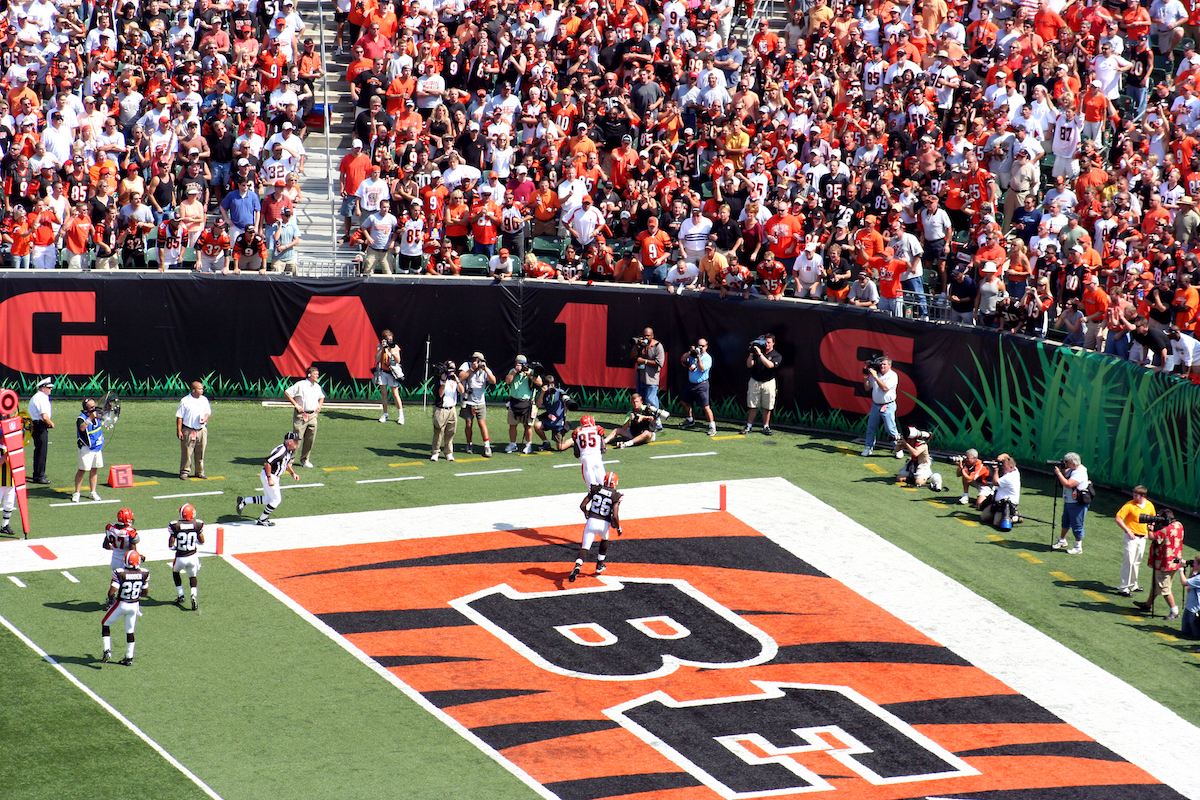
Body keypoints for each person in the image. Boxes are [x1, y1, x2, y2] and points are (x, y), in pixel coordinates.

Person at [236, 431, 301, 526]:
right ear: (289, 442)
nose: (297, 443)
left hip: (274, 476)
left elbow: (286, 463)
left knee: (267, 499)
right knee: (276, 500)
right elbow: (267, 463)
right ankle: (262, 519)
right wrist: (270, 478)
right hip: (270, 475)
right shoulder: (281, 451)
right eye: (295, 441)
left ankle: (244, 501)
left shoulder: (289, 450)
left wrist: (293, 473)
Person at [569, 471, 623, 582]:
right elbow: (615, 515)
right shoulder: (615, 495)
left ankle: (578, 565)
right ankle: (599, 564)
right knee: (604, 539)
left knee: (585, 547)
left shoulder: (596, 489)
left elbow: (582, 505)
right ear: (615, 483)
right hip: (603, 524)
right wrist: (617, 527)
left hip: (591, 521)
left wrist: (586, 512)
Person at [101, 550, 149, 667]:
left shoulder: (120, 572)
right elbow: (145, 592)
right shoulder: (144, 573)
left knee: (105, 623)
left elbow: (112, 592)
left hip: (122, 603)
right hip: (134, 605)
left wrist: (111, 598)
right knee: (130, 631)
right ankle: (129, 657)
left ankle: (107, 650)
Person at [1134, 510, 1184, 620]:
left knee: (1164, 588)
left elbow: (1152, 537)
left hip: (1164, 564)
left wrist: (1150, 528)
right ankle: (1147, 605)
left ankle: (1174, 611)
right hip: (1175, 561)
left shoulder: (1165, 530)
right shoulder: (1178, 525)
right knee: (1156, 585)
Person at [1114, 485, 1155, 596]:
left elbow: (1152, 518)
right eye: (1134, 494)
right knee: (1128, 561)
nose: (1134, 497)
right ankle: (1123, 588)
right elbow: (1118, 518)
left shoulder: (1149, 505)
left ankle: (1133, 584)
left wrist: (1150, 528)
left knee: (1137, 561)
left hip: (1142, 538)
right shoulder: (1129, 505)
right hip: (1131, 537)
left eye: (1136, 495)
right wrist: (1128, 530)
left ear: (1143, 496)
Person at [1052, 452, 1092, 555]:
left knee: (1077, 524)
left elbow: (1068, 484)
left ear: (1071, 462)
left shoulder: (1079, 473)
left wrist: (1059, 474)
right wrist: (1062, 471)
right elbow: (1067, 474)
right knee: (1065, 521)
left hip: (1076, 503)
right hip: (1069, 501)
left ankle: (1078, 546)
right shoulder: (1073, 470)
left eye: (1066, 462)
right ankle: (1062, 540)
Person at [285, 366, 325, 468]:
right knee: (297, 438)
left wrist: (319, 406)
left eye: (318, 374)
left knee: (310, 438)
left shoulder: (317, 387)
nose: (317, 376)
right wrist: (296, 405)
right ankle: (290, 460)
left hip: (312, 415)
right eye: (315, 374)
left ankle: (305, 460)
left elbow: (322, 397)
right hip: (301, 415)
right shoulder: (301, 384)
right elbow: (287, 392)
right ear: (309, 374)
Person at [168, 503, 205, 611]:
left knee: (175, 573)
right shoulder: (198, 524)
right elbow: (202, 541)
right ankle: (193, 595)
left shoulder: (175, 525)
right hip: (193, 556)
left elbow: (171, 541)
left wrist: (173, 547)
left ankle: (181, 594)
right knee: (192, 577)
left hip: (180, 557)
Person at [458, 351, 496, 457]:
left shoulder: (485, 370)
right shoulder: (467, 366)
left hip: (480, 402)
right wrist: (472, 369)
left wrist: (485, 369)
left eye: (478, 360)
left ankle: (487, 446)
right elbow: (461, 377)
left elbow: (493, 381)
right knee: (468, 424)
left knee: (482, 424)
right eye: (474, 359)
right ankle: (469, 443)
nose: (475, 362)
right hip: (468, 400)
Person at [743, 333, 781, 435]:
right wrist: (751, 354)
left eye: (769, 343)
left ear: (773, 343)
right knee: (753, 405)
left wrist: (760, 354)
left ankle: (766, 427)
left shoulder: (776, 355)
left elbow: (770, 365)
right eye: (765, 342)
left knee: (767, 406)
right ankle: (749, 426)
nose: (767, 345)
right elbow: (749, 365)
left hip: (768, 383)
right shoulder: (756, 353)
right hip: (755, 381)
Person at [862, 357, 900, 457]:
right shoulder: (876, 374)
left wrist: (875, 377)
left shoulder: (893, 375)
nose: (882, 366)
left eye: (884, 364)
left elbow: (884, 388)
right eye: (881, 364)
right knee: (871, 427)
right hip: (875, 405)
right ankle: (868, 448)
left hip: (888, 405)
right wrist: (866, 376)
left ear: (890, 366)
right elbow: (867, 388)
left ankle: (897, 448)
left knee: (890, 429)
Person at [504, 355, 542, 454]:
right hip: (514, 401)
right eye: (518, 363)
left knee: (527, 426)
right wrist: (515, 371)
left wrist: (529, 375)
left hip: (527, 402)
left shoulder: (530, 371)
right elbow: (507, 381)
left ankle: (528, 444)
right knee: (512, 425)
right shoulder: (513, 371)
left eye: (522, 364)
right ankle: (513, 444)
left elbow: (540, 382)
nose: (520, 365)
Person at [175, 381, 212, 480]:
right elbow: (179, 417)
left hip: (201, 430)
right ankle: (184, 472)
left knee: (201, 452)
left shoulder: (204, 400)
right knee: (187, 452)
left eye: (202, 388)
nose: (202, 390)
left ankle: (199, 472)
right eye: (200, 388)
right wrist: (179, 431)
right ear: (194, 390)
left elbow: (208, 412)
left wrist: (206, 418)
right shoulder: (185, 400)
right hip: (189, 430)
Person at [629, 329, 666, 425]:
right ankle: (643, 422)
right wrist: (637, 346)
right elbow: (632, 357)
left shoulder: (658, 346)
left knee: (651, 400)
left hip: (651, 379)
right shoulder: (641, 345)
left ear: (652, 336)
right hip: (640, 377)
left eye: (648, 336)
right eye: (644, 335)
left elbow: (659, 363)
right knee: (641, 402)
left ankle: (657, 423)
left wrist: (644, 361)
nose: (646, 337)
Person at [680, 339, 716, 436]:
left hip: (702, 385)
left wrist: (698, 357)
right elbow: (683, 360)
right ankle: (690, 420)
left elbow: (702, 369)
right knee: (683, 402)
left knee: (705, 406)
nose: (700, 348)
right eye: (699, 345)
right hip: (691, 384)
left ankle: (712, 426)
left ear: (706, 346)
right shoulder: (692, 356)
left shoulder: (707, 358)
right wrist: (690, 352)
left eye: (702, 346)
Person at [73, 398, 104, 503]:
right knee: (82, 470)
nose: (94, 408)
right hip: (86, 448)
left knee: (94, 469)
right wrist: (90, 418)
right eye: (91, 407)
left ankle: (93, 492)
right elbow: (82, 428)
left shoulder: (97, 415)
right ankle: (77, 493)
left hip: (97, 447)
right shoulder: (81, 418)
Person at [430, 360, 462, 462]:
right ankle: (435, 452)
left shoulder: (455, 379)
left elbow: (462, 390)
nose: (452, 371)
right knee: (439, 431)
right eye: (450, 368)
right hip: (441, 409)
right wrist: (444, 381)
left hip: (452, 408)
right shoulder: (439, 379)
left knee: (451, 432)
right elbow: (440, 394)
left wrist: (457, 381)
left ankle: (448, 452)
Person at [979, 455, 1021, 530]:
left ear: (1011, 467)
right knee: (984, 517)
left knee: (997, 524)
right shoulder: (1014, 469)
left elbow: (995, 482)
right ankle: (997, 515)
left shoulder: (1010, 477)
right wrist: (1002, 456)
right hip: (997, 503)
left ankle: (1016, 516)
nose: (1002, 467)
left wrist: (996, 470)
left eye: (1004, 466)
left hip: (1007, 505)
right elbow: (1008, 458)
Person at [533, 373, 572, 451]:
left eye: (552, 384)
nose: (551, 386)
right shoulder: (544, 394)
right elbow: (538, 404)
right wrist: (542, 393)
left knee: (560, 448)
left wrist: (566, 406)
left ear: (554, 384)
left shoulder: (560, 392)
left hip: (558, 422)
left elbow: (568, 403)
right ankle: (546, 442)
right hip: (549, 419)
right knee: (537, 425)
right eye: (549, 384)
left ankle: (574, 439)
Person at [568, 413, 608, 487]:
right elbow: (603, 449)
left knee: (592, 489)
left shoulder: (577, 432)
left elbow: (576, 454)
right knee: (605, 486)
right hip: (597, 459)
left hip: (586, 460)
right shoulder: (598, 429)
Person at [26, 377, 53, 484]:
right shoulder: (41, 398)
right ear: (43, 388)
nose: (51, 390)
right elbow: (44, 416)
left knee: (39, 450)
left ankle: (38, 473)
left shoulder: (39, 397)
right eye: (49, 388)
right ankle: (39, 475)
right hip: (40, 425)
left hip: (36, 425)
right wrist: (51, 423)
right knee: (41, 451)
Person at [375, 330, 405, 424]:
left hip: (392, 372)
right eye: (387, 340)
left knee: (395, 394)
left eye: (391, 340)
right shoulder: (380, 347)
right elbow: (376, 359)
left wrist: (391, 350)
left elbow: (398, 360)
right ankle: (385, 414)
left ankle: (401, 415)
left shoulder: (394, 347)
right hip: (383, 373)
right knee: (384, 394)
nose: (389, 342)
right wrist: (382, 349)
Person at [102, 508, 139, 578]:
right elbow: (132, 552)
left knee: (116, 583)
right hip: (127, 563)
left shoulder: (110, 528)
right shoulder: (130, 532)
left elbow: (105, 545)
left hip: (114, 562)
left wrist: (117, 547)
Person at [1181, 556, 1200, 640]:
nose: (1193, 564)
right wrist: (1193, 570)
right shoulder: (1197, 575)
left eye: (1195, 563)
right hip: (1189, 607)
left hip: (1195, 609)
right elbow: (1190, 580)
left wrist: (1181, 569)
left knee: (1196, 634)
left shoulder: (1199, 578)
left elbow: (1184, 582)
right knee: (1185, 631)